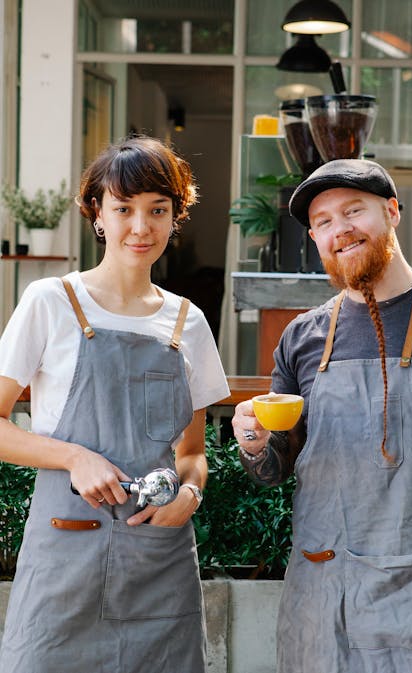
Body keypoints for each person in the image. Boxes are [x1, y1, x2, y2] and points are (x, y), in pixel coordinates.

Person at [232, 158, 412, 673]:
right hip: (320, 608)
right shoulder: (302, 337)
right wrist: (253, 443)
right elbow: (274, 470)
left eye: (354, 211)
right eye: (324, 222)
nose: (341, 230)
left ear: (393, 212)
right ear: (315, 238)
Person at [0, 135, 229, 673]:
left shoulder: (187, 322)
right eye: (123, 208)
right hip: (65, 554)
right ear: (96, 213)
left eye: (157, 210)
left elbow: (192, 452)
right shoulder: (51, 301)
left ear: (176, 218)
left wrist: (190, 494)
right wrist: (75, 458)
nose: (140, 227)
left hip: (158, 561)